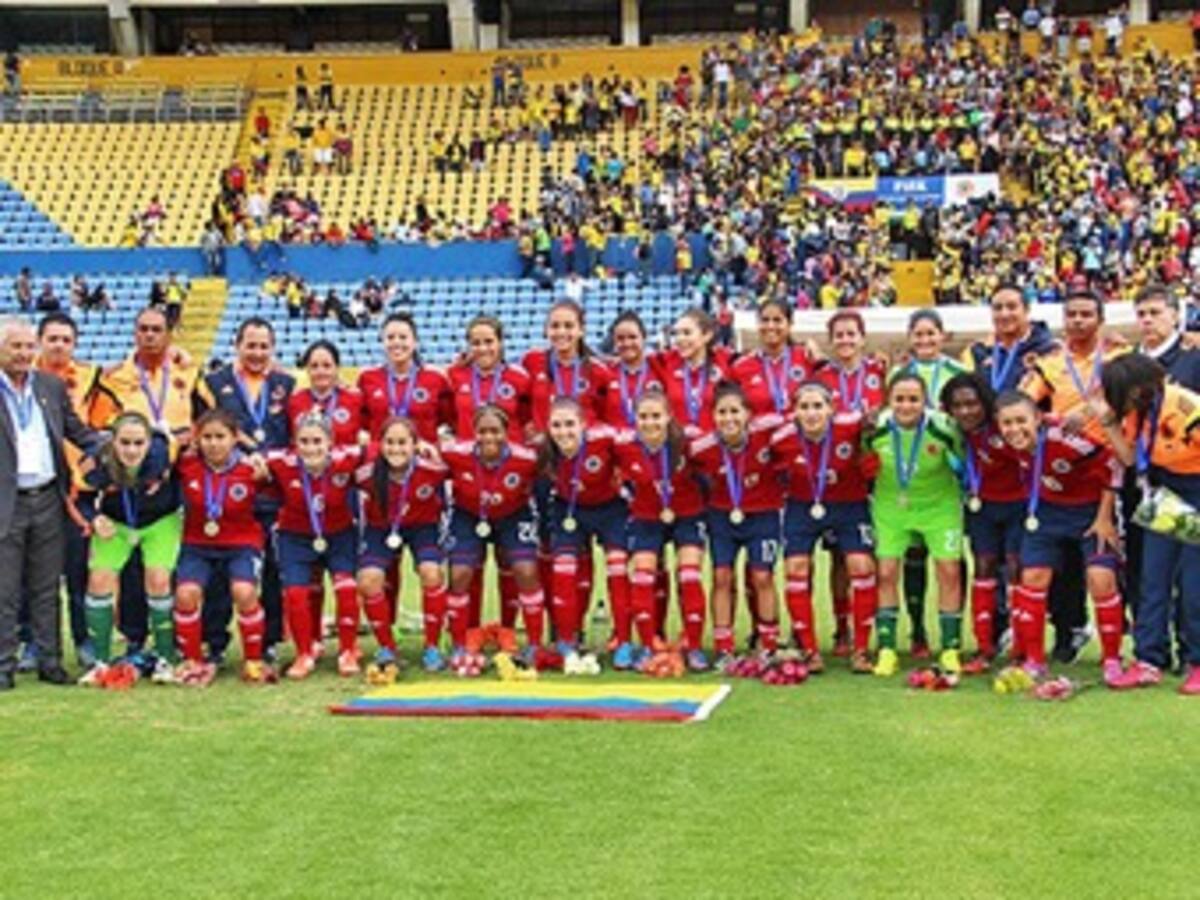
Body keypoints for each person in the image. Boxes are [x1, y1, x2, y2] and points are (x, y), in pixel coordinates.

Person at [995, 391, 1125, 682]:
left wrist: (1105, 518)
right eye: (1006, 423)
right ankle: (1034, 660)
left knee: (1100, 578)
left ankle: (1113, 660)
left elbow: (1113, 466)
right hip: (1044, 514)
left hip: (1090, 516)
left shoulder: (1067, 438)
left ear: (1038, 418)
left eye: (1020, 421)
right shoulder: (1007, 443)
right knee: (1033, 578)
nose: (1014, 429)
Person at [0, 316, 101, 690]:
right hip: (6, 501)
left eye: (29, 347)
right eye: (16, 346)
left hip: (47, 497)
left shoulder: (50, 386)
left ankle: (51, 661)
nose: (25, 354)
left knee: (47, 587)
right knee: (5, 588)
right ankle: (3, 665)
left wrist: (106, 447)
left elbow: (76, 430)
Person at [100, 307, 202, 657]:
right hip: (128, 480)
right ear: (134, 333)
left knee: (165, 567)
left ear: (169, 334)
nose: (149, 335)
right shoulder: (115, 378)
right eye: (143, 328)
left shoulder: (187, 374)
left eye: (157, 329)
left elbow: (206, 419)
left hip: (173, 483)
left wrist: (180, 441)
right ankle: (133, 638)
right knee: (129, 570)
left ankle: (169, 643)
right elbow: (104, 426)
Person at [1096, 355, 1200, 693]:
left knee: (1193, 583)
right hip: (1163, 491)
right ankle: (1148, 660)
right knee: (1152, 578)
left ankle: (1197, 662)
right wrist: (1110, 425)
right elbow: (1129, 459)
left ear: (1139, 388)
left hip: (1197, 491)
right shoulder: (1136, 411)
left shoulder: (1187, 408)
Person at [197, 317, 293, 663]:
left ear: (273, 347)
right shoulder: (214, 383)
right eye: (250, 345)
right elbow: (204, 434)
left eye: (263, 346)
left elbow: (296, 438)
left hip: (270, 495)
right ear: (237, 345)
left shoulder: (287, 383)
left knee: (269, 569)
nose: (257, 352)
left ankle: (267, 642)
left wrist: (271, 463)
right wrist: (244, 458)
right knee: (219, 570)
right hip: (223, 496)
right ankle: (214, 642)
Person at [771, 382, 878, 673]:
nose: (811, 413)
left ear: (831, 409)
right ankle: (809, 650)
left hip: (849, 505)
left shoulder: (851, 426)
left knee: (860, 565)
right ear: (794, 412)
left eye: (818, 406)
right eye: (804, 407)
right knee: (795, 568)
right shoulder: (781, 439)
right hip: (802, 507)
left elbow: (877, 420)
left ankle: (861, 649)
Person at [865, 372, 965, 678]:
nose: (906, 406)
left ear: (925, 401)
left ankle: (950, 649)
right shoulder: (874, 429)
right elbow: (863, 461)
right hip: (891, 506)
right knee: (886, 572)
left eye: (914, 399)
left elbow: (965, 461)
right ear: (889, 401)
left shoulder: (944, 428)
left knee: (948, 571)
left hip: (939, 506)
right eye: (899, 399)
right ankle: (886, 649)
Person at [252, 411, 362, 679]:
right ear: (295, 443)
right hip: (295, 536)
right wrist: (255, 461)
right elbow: (251, 460)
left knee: (346, 588)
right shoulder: (281, 461)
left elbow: (376, 449)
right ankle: (304, 653)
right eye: (304, 441)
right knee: (296, 593)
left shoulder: (346, 460)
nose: (311, 448)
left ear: (330, 443)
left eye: (317, 441)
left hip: (339, 535)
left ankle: (348, 650)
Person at [77, 413, 180, 687]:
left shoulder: (163, 454)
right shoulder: (97, 461)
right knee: (98, 581)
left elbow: (182, 481)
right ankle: (100, 662)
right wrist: (94, 518)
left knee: (158, 579)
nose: (132, 450)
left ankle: (166, 658)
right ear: (113, 441)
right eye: (125, 443)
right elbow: (83, 498)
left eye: (138, 443)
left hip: (159, 521)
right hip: (117, 524)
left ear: (149, 443)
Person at [173, 409, 272, 685]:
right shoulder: (186, 465)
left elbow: (276, 490)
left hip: (241, 543)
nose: (214, 443)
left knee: (244, 591)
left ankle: (253, 661)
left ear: (234, 439)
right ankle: (192, 661)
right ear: (197, 439)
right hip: (197, 544)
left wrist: (261, 463)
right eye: (207, 437)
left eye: (220, 437)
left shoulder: (251, 470)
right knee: (185, 594)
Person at [890, 309, 968, 658]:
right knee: (913, 555)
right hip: (909, 478)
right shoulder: (898, 374)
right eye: (918, 335)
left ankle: (955, 635)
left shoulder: (958, 372)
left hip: (949, 476)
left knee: (951, 559)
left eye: (930, 334)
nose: (924, 341)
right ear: (910, 338)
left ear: (943, 335)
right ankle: (918, 629)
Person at [689, 383, 784, 668]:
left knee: (763, 577)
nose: (728, 418)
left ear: (748, 414)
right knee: (721, 577)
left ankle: (768, 644)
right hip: (721, 516)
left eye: (735, 411)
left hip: (764, 515)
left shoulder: (768, 431)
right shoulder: (702, 448)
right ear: (713, 416)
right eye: (722, 412)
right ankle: (723, 647)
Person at [441, 406, 544, 659]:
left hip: (514, 514)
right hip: (468, 515)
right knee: (460, 573)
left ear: (507, 433)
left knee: (525, 570)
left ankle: (532, 644)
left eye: (495, 431)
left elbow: (549, 471)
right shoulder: (455, 454)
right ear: (474, 433)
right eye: (483, 431)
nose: (489, 437)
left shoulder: (527, 458)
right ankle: (459, 642)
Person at [614, 389, 708, 669]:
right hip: (646, 516)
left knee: (689, 574)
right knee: (642, 575)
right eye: (643, 416)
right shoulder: (624, 447)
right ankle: (648, 645)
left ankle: (693, 645)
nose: (649, 422)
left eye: (656, 416)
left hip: (688, 514)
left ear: (668, 417)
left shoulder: (688, 444)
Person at [941, 372, 1024, 672]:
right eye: (957, 405)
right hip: (981, 509)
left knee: (1016, 572)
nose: (965, 411)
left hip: (1017, 508)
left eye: (972, 404)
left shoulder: (1003, 428)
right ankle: (984, 648)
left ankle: (1021, 649)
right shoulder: (954, 432)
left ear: (984, 403)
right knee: (983, 570)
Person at [357, 416, 449, 675]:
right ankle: (387, 648)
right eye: (390, 442)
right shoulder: (366, 474)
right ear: (380, 444)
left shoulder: (434, 469)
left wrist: (437, 453)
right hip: (381, 528)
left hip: (424, 527)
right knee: (368, 580)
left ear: (415, 445)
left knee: (432, 572)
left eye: (402, 443)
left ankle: (432, 646)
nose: (396, 449)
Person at [540, 400, 629, 662]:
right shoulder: (545, 450)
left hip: (611, 509)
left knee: (618, 567)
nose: (563, 431)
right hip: (569, 510)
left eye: (570, 424)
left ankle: (623, 641)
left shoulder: (606, 438)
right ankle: (567, 640)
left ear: (583, 425)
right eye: (556, 425)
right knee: (563, 569)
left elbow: (635, 445)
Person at [357, 312, 451, 445]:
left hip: (424, 460)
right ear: (383, 342)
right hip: (381, 460)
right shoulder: (367, 378)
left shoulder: (435, 378)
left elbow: (447, 419)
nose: (396, 342)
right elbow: (363, 422)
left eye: (403, 337)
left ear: (415, 342)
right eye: (390, 337)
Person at [730, 299, 815, 418]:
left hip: (799, 436)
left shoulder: (808, 358)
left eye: (777, 320)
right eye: (765, 320)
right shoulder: (740, 366)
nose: (770, 326)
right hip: (758, 436)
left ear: (790, 324)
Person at [287, 340, 362, 447]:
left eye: (327, 366)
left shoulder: (355, 400)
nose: (320, 371)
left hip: (345, 463)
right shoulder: (294, 401)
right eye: (314, 366)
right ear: (307, 369)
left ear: (337, 368)